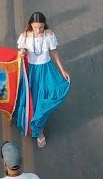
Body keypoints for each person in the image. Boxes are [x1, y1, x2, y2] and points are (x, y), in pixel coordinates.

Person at [13, 12, 71, 148]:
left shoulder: (49, 34)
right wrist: (21, 53)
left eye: (41, 27)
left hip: (46, 71)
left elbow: (54, 53)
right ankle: (36, 128)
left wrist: (62, 70)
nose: (38, 30)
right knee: (31, 99)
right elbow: (21, 52)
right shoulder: (25, 36)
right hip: (32, 72)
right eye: (35, 27)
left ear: (44, 25)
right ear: (31, 25)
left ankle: (38, 129)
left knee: (44, 100)